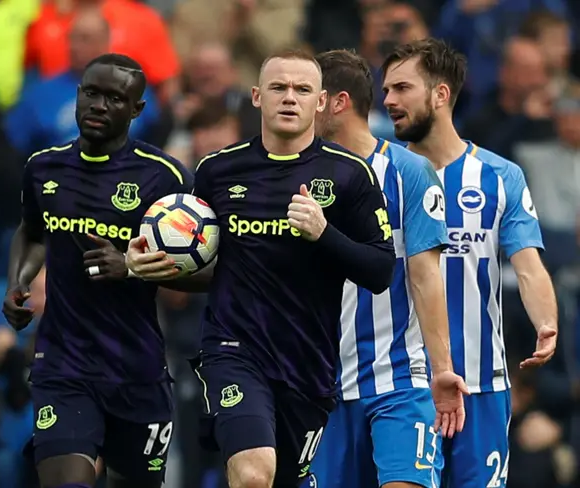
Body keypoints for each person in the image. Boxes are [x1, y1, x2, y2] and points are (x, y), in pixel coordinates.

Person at [128, 49, 397, 488]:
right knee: (254, 473)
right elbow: (204, 265)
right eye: (278, 87)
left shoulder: (350, 175)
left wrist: (324, 233)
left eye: (302, 89)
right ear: (256, 97)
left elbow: (380, 272)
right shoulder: (217, 171)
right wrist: (149, 266)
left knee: (284, 479)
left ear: (322, 102)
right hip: (234, 350)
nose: (289, 98)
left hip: (308, 361)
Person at [1, 53, 193, 488]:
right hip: (63, 365)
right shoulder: (44, 166)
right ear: (78, 94)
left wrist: (131, 267)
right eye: (91, 93)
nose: (99, 105)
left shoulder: (165, 179)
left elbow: (205, 274)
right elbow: (32, 232)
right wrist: (18, 281)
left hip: (136, 369)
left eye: (114, 98)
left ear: (137, 109)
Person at [381, 38, 558, 488]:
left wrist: (545, 322)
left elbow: (529, 265)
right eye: (386, 90)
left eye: (402, 88)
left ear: (440, 95)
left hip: (481, 384)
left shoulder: (500, 176)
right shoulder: (380, 176)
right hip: (407, 387)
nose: (388, 101)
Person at [308, 49, 469, 488]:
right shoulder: (295, 176)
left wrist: (442, 370)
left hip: (397, 379)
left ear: (335, 102)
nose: (297, 104)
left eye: (308, 94)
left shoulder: (408, 172)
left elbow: (426, 276)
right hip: (320, 385)